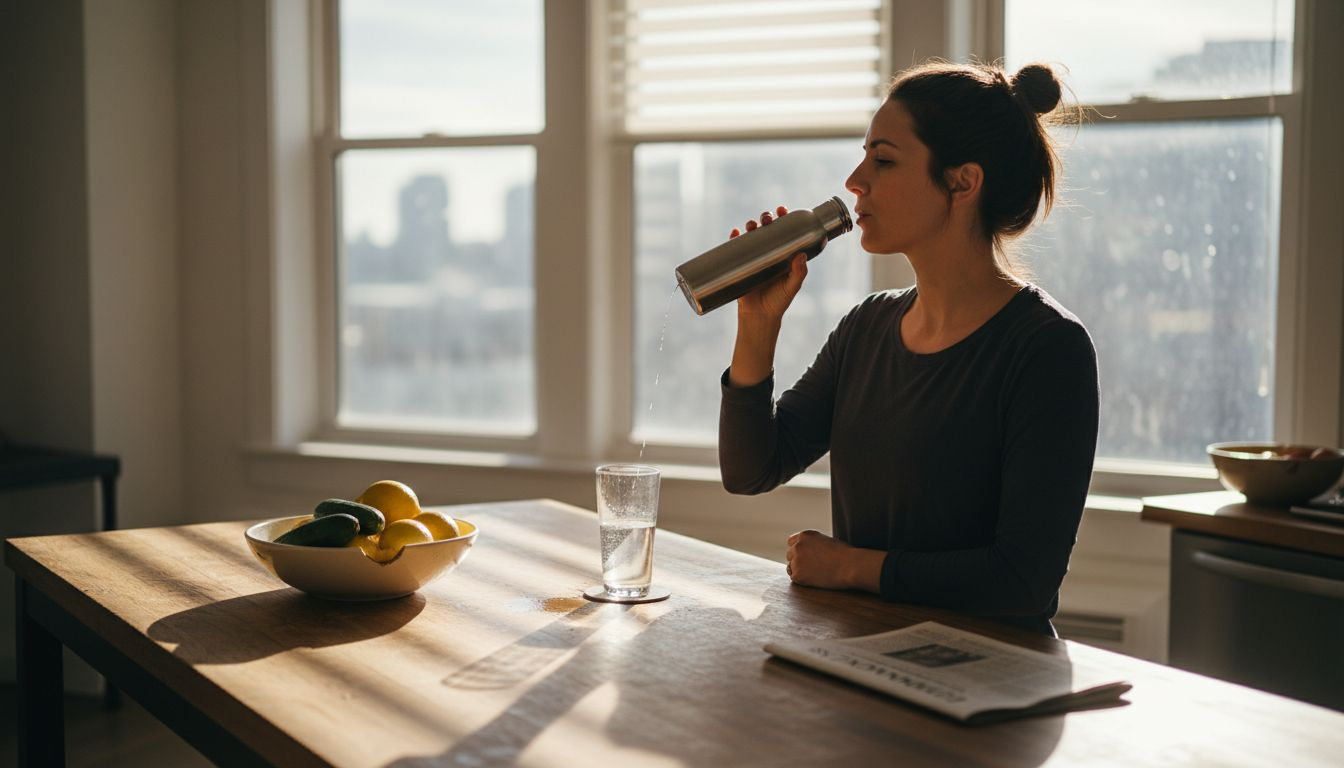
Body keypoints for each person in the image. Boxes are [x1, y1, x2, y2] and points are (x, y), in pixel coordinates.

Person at [718, 61, 1099, 636]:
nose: (855, 180)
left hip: (989, 676)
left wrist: (850, 566)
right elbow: (751, 469)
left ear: (962, 182)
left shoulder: (1049, 350)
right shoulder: (867, 328)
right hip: (865, 656)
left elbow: (1022, 580)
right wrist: (757, 322)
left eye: (884, 160)